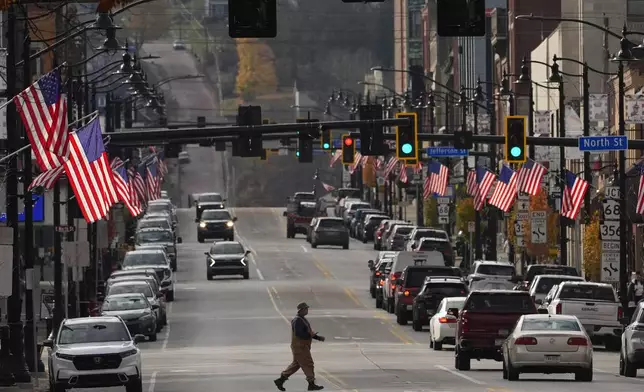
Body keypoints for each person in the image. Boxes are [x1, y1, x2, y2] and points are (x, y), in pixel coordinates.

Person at [274, 302, 325, 391]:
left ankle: (280, 380)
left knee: (296, 364)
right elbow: (299, 334)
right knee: (308, 363)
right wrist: (310, 336)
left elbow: (308, 333)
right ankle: (311, 384)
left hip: (302, 346)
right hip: (300, 346)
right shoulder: (297, 320)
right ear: (301, 310)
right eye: (306, 309)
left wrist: (317, 337)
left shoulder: (302, 319)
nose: (307, 310)